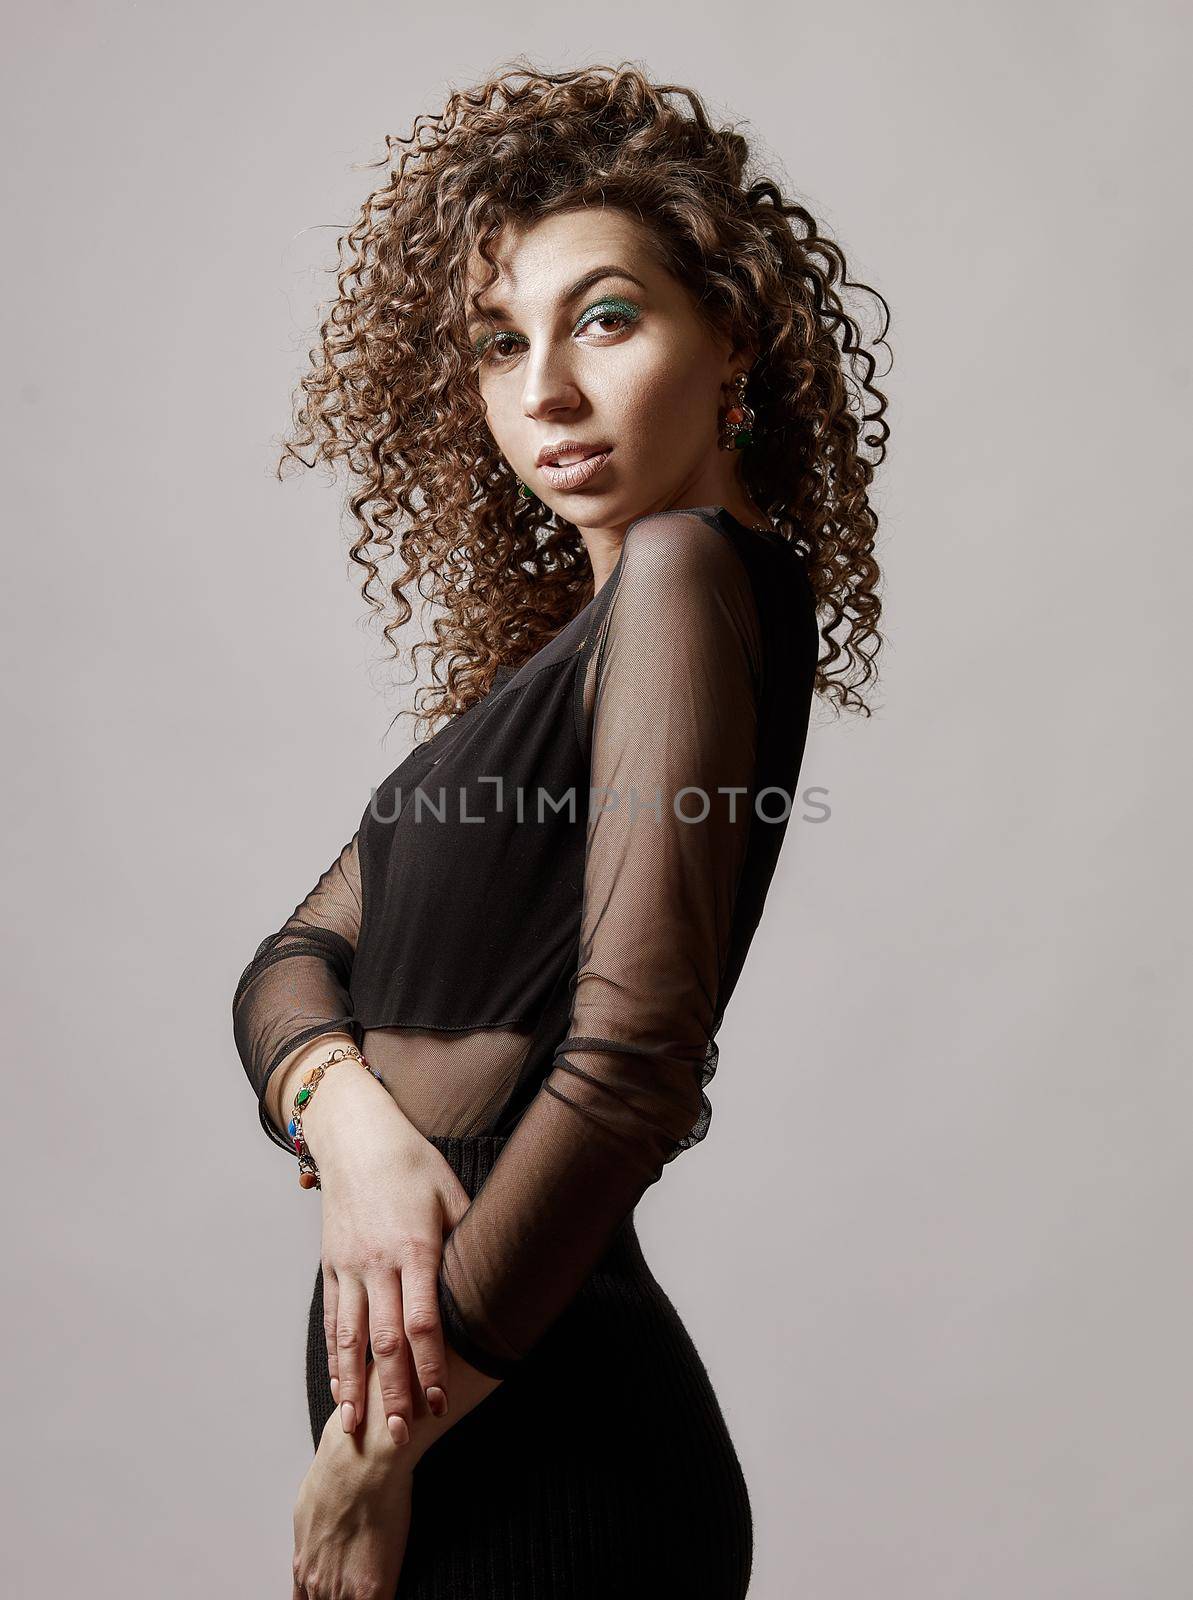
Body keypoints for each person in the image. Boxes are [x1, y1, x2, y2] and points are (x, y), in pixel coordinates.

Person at [231, 59, 890, 1600]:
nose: (545, 393)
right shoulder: (572, 662)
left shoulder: (684, 578)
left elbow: (633, 1066)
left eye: (604, 318)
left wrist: (376, 1449)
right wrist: (360, 1131)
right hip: (479, 1421)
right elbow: (289, 960)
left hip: (533, 1438)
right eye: (498, 342)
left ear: (731, 332)